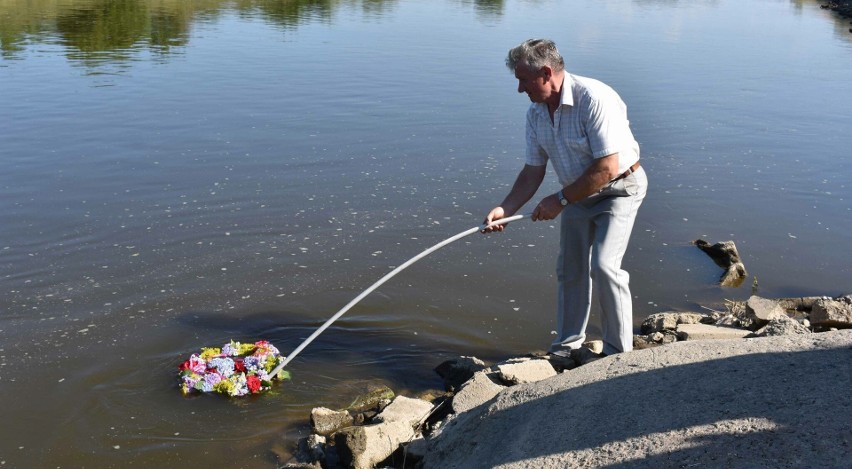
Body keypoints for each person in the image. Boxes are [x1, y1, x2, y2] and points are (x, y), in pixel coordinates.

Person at [483, 38, 647, 357]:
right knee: (569, 268)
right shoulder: (536, 114)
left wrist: (559, 201)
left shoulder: (594, 98)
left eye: (523, 80)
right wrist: (506, 208)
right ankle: (567, 345)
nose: (520, 89)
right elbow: (533, 172)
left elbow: (607, 168)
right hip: (577, 194)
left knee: (604, 266)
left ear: (546, 73)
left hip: (620, 190)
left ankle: (618, 354)